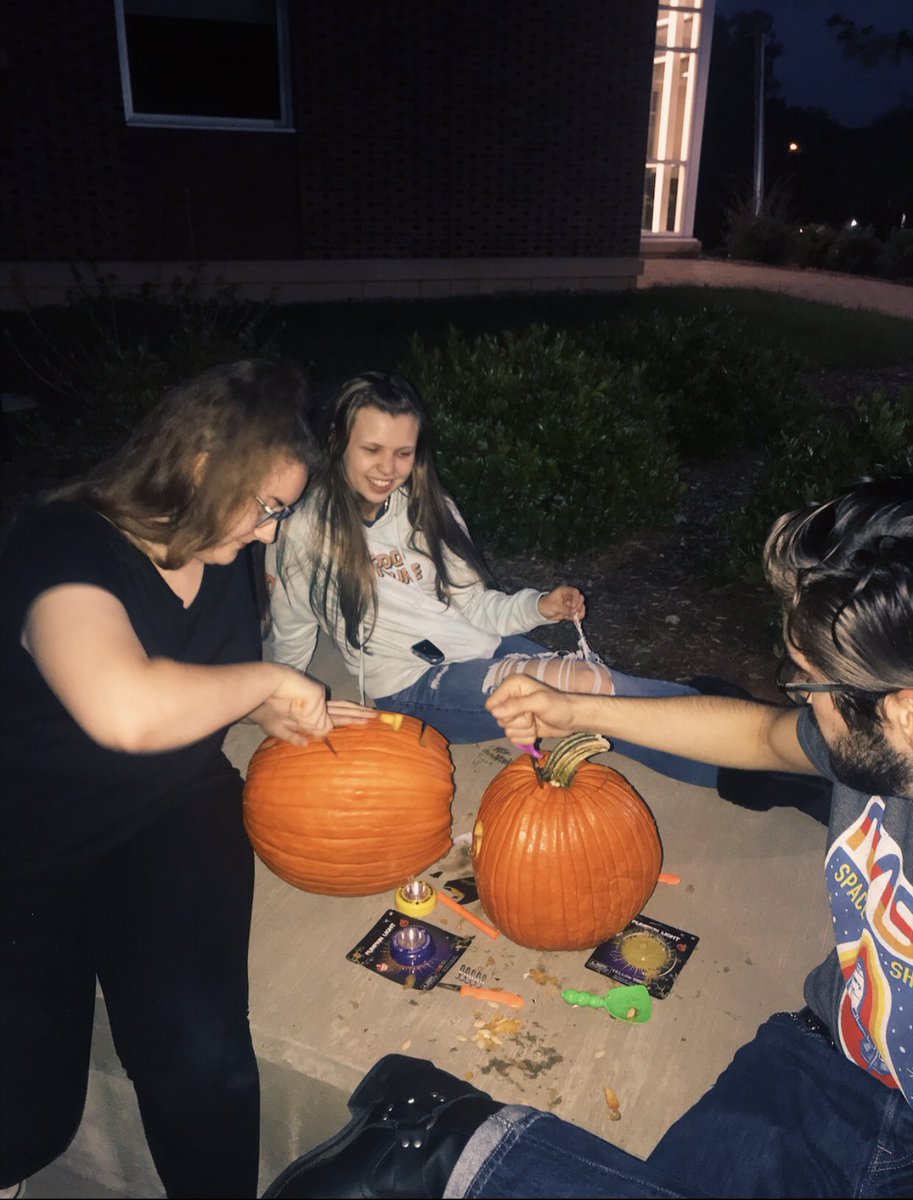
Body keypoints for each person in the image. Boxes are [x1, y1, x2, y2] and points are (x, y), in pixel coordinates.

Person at [261, 474, 913, 1199]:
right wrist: (573, 708)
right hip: (825, 1057)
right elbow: (763, 733)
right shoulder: (879, 733)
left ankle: (457, 1150)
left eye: (807, 684)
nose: (794, 698)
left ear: (902, 712)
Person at [0, 358, 373, 1200]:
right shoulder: (58, 545)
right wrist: (266, 685)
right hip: (29, 834)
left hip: (172, 813)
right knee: (26, 1114)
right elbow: (124, 707)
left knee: (201, 1060)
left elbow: (194, 678)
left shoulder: (222, 548)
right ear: (202, 468)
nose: (272, 533)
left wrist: (251, 711)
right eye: (267, 507)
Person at [266, 371, 717, 785]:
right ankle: (735, 763)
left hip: (472, 642)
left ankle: (720, 718)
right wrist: (289, 699)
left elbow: (476, 604)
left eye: (403, 453)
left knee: (597, 681)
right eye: (371, 450)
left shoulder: (426, 507)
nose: (388, 468)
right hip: (412, 685)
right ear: (336, 440)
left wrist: (540, 606)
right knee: (584, 690)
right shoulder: (306, 532)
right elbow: (293, 628)